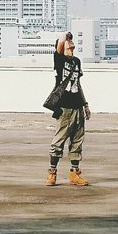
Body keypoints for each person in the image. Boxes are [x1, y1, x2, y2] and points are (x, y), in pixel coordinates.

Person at [46, 36, 91, 186]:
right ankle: (52, 173)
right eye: (69, 46)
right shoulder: (60, 61)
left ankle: (74, 173)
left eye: (73, 46)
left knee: (77, 141)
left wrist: (85, 105)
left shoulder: (77, 61)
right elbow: (59, 46)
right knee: (58, 142)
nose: (72, 48)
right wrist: (65, 37)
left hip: (77, 107)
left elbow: (79, 84)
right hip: (64, 108)